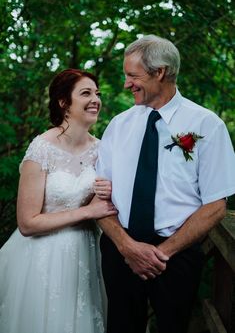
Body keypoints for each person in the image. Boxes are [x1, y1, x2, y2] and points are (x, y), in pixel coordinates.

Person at [96, 35, 235, 333]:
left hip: (176, 256)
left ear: (160, 72)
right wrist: (127, 246)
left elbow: (215, 206)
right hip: (120, 249)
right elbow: (99, 197)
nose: (125, 84)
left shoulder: (207, 126)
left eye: (133, 75)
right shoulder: (118, 125)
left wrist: (162, 254)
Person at [0, 68, 117, 333]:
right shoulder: (41, 148)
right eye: (85, 93)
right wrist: (88, 212)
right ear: (64, 102)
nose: (95, 99)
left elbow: (109, 200)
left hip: (88, 256)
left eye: (97, 93)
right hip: (43, 258)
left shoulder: (102, 150)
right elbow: (27, 223)